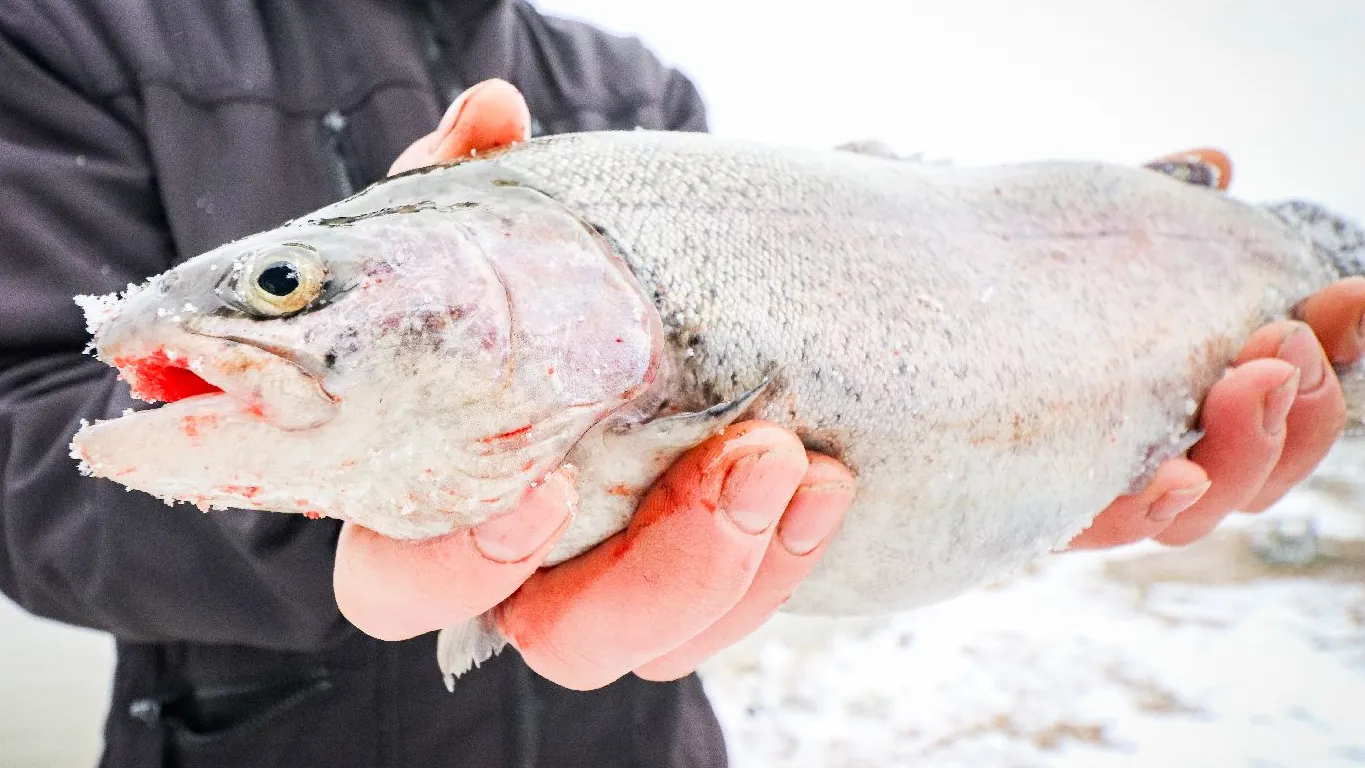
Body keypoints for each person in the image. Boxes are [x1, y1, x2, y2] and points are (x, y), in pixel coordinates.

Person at [1, 2, 1361, 767]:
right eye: (288, 290)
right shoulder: (75, 34)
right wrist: (379, 513)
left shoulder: (625, 84)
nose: (276, 313)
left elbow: (829, 353)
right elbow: (28, 438)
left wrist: (1051, 464)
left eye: (287, 290)